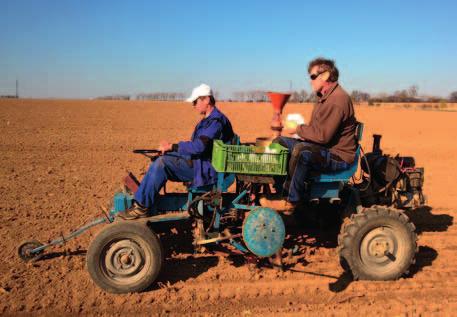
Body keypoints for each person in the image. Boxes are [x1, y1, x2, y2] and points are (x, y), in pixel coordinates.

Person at [120, 84, 234, 219]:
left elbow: (199, 147)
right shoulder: (208, 120)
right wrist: (171, 151)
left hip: (207, 169)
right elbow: (196, 147)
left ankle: (142, 205)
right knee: (161, 158)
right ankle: (144, 197)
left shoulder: (216, 121)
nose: (193, 105)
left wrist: (173, 147)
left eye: (195, 101)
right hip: (201, 163)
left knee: (163, 163)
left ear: (207, 100)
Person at [261, 58, 358, 213]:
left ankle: (290, 201)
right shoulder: (325, 98)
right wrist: (300, 131)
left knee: (302, 152)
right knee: (281, 142)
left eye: (313, 76)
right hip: (326, 148)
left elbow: (323, 136)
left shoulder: (337, 100)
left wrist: (298, 129)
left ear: (325, 75)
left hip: (338, 156)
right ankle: (281, 190)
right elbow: (317, 131)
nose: (310, 81)